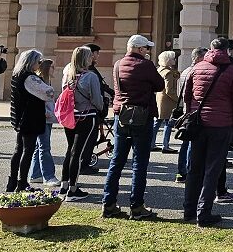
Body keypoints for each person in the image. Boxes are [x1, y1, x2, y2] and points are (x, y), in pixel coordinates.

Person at [182, 37, 233, 227]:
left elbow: (187, 95)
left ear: (210, 49)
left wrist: (190, 115)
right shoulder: (232, 71)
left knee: (194, 169)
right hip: (221, 125)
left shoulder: (198, 67)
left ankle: (188, 210)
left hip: (198, 124)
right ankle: (204, 213)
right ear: (226, 51)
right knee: (212, 170)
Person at [101, 35, 163, 220]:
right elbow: (159, 85)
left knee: (117, 162)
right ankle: (137, 207)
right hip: (142, 115)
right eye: (146, 48)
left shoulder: (118, 64)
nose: (147, 51)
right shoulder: (146, 65)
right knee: (139, 163)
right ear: (139, 49)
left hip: (121, 115)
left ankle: (108, 204)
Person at [6, 49, 55, 193]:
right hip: (30, 119)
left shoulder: (17, 75)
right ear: (31, 61)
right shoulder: (29, 77)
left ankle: (13, 181)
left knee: (18, 150)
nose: (40, 64)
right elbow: (49, 93)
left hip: (21, 118)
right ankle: (21, 183)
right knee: (27, 151)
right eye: (38, 61)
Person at [59, 46, 104, 201]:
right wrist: (102, 107)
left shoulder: (67, 75)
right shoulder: (90, 76)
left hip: (71, 116)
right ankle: (73, 189)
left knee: (70, 151)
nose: (92, 58)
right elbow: (97, 100)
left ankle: (64, 186)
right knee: (78, 153)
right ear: (86, 58)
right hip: (86, 116)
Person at [174, 47, 208, 183]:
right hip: (193, 112)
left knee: (185, 143)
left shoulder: (185, 71)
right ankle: (189, 172)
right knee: (191, 144)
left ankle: (181, 172)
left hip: (185, 111)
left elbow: (179, 93)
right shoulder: (197, 72)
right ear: (199, 58)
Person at [80, 43, 113, 175]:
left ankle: (84, 162)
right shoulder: (90, 71)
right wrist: (100, 106)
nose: (98, 56)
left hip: (90, 108)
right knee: (89, 138)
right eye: (96, 53)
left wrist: (110, 91)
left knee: (90, 138)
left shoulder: (91, 69)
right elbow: (96, 90)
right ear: (90, 54)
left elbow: (101, 85)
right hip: (91, 109)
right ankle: (84, 164)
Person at [27, 58, 60, 189]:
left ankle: (35, 175)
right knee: (44, 147)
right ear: (47, 68)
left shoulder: (45, 81)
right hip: (43, 117)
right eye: (53, 67)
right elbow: (37, 101)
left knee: (39, 146)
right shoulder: (39, 82)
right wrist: (45, 111)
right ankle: (48, 176)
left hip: (48, 117)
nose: (55, 70)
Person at [154, 51, 181, 154]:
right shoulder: (168, 73)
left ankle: (151, 143)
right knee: (168, 124)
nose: (175, 60)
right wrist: (178, 100)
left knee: (157, 122)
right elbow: (169, 90)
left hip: (160, 98)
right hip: (167, 100)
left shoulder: (160, 70)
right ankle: (166, 146)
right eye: (173, 58)